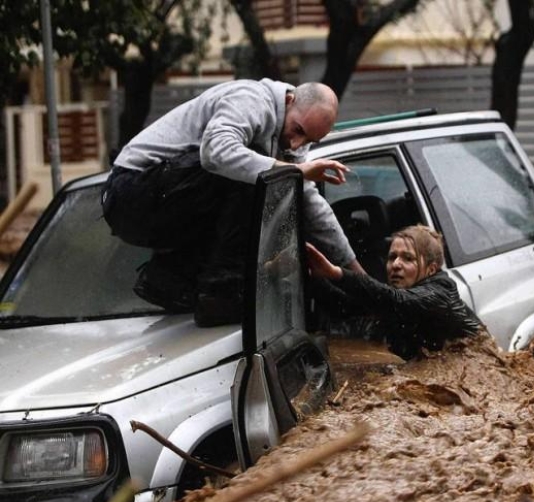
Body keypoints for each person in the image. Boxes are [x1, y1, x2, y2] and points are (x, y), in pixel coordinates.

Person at [101, 79, 361, 326]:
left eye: (308, 141)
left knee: (272, 180)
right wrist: (294, 171)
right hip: (129, 193)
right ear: (290, 100)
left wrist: (356, 275)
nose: (296, 143)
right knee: (256, 170)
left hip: (168, 203)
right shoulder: (251, 99)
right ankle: (220, 292)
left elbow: (309, 203)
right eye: (298, 130)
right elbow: (216, 152)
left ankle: (170, 279)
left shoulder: (291, 138)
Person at [305, 225, 484, 360]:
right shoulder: (400, 293)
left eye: (408, 258)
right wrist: (309, 275)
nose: (396, 265)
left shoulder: (440, 292)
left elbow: (396, 300)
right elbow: (344, 307)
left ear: (431, 269)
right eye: (392, 257)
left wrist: (337, 273)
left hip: (479, 363)